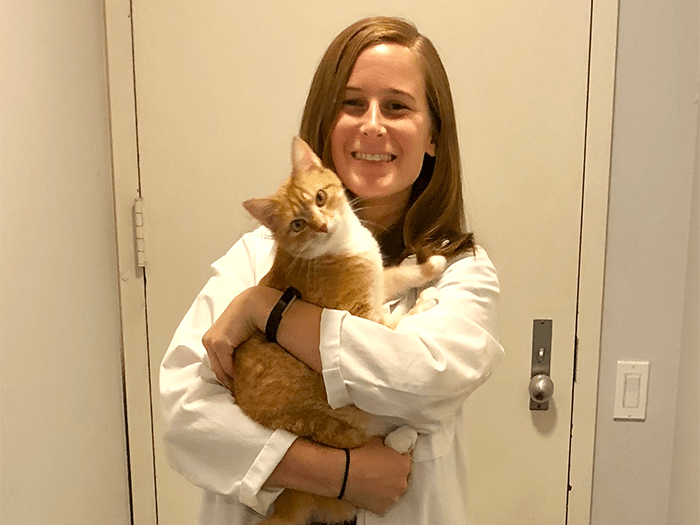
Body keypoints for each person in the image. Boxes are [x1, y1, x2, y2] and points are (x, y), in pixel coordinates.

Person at [160, 16, 505, 525]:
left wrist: (267, 311)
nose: (372, 125)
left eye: (396, 106)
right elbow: (185, 417)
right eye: (352, 103)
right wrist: (339, 474)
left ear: (433, 135)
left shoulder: (462, 271)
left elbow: (420, 383)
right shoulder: (256, 255)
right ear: (326, 126)